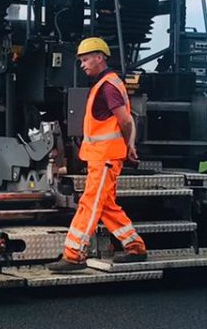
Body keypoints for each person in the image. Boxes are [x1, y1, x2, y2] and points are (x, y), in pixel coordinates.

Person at [48, 37, 148, 273]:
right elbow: (126, 119)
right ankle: (135, 248)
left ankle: (73, 255)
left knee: (90, 204)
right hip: (102, 158)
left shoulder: (108, 86)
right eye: (81, 60)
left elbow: (125, 119)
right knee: (106, 205)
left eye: (85, 59)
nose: (82, 65)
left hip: (105, 159)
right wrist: (129, 146)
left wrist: (128, 146)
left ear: (100, 57)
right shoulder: (106, 84)